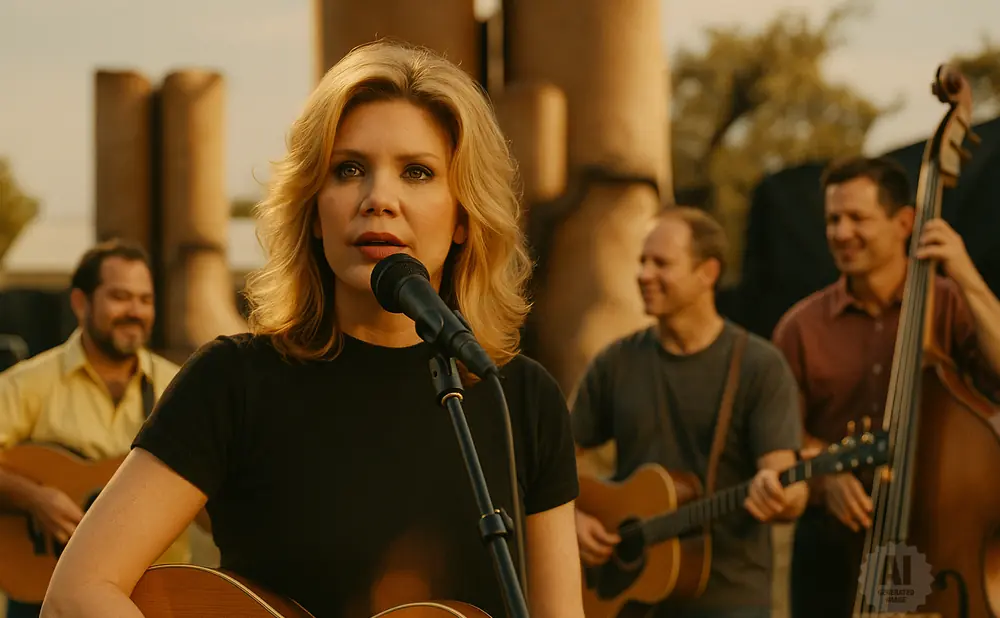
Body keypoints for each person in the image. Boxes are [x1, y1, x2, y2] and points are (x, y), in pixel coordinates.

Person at [40, 40, 585, 618]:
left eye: (417, 172)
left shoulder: (520, 401)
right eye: (348, 169)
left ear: (461, 218)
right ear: (314, 212)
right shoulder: (232, 383)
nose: (378, 199)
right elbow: (77, 593)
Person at [771, 155, 1000, 618]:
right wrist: (824, 473)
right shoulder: (799, 328)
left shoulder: (950, 304)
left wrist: (966, 274)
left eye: (857, 218)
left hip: (939, 542)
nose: (840, 232)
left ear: (904, 222)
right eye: (833, 219)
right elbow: (783, 437)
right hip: (834, 555)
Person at [571, 206, 808, 618]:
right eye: (642, 261)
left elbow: (787, 484)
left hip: (731, 601)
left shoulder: (758, 366)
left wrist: (781, 495)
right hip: (630, 598)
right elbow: (554, 460)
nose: (644, 274)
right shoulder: (616, 362)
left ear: (708, 274)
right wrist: (572, 517)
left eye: (661, 263)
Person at [0, 240, 190, 618]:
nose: (135, 311)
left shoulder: (180, 388)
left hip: (151, 596)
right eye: (120, 297)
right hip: (44, 594)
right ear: (80, 303)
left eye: (144, 299)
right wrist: (35, 498)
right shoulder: (27, 384)